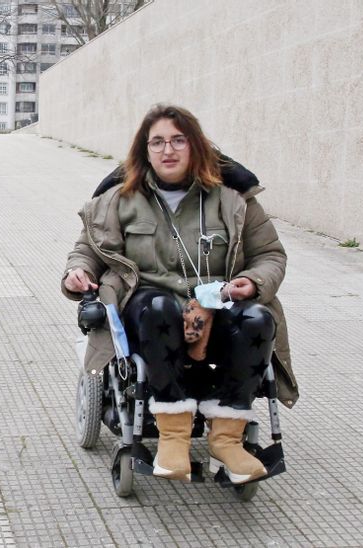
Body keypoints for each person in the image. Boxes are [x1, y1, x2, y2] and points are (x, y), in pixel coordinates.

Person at [61, 104, 297, 485]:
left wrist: (252, 283)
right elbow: (87, 250)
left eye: (177, 140)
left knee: (259, 318)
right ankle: (173, 435)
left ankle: (227, 438)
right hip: (150, 310)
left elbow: (270, 255)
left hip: (217, 306)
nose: (167, 150)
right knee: (158, 309)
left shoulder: (233, 200)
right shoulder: (119, 200)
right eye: (157, 142)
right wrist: (78, 272)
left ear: (195, 147)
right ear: (144, 150)